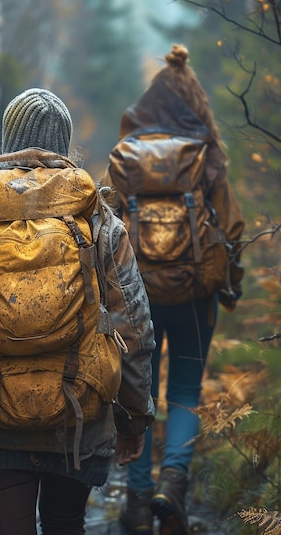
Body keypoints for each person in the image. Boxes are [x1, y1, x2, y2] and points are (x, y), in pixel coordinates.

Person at [0, 88, 155, 535]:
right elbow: (135, 330)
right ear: (64, 143)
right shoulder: (100, 221)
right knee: (66, 524)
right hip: (79, 413)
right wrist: (134, 418)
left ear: (8, 138)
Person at [102, 45, 245, 535]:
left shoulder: (124, 158)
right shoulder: (204, 154)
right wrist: (231, 286)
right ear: (194, 101)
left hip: (136, 297)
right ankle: (173, 487)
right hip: (193, 294)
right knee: (185, 392)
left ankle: (137, 506)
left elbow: (104, 227)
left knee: (138, 396)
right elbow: (232, 225)